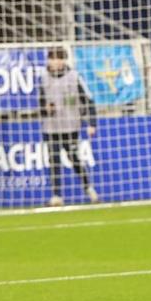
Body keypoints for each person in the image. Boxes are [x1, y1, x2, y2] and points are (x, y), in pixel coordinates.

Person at [39, 46, 98, 206]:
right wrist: (45, 108)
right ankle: (56, 195)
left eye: (59, 59)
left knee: (74, 158)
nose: (55, 62)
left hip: (71, 126)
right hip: (50, 127)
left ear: (64, 61)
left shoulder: (74, 77)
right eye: (52, 59)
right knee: (54, 160)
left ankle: (89, 189)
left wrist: (91, 122)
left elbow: (88, 100)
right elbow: (41, 103)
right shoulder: (43, 78)